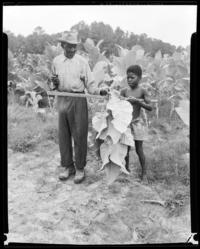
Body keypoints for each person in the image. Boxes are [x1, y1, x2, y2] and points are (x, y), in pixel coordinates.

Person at [51, 31, 108, 184]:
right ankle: (67, 166)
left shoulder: (82, 62)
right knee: (64, 136)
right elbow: (53, 82)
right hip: (62, 98)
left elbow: (90, 83)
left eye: (74, 46)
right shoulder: (56, 61)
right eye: (69, 46)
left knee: (79, 135)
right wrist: (53, 83)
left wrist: (98, 91)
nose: (72, 49)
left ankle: (80, 168)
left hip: (78, 100)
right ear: (62, 45)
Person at [120, 65, 152, 183]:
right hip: (126, 124)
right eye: (127, 78)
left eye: (132, 77)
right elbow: (117, 102)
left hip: (137, 123)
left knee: (139, 149)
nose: (129, 80)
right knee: (126, 148)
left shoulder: (143, 91)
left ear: (140, 78)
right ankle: (126, 170)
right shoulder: (124, 91)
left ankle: (144, 174)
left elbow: (150, 107)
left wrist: (137, 102)